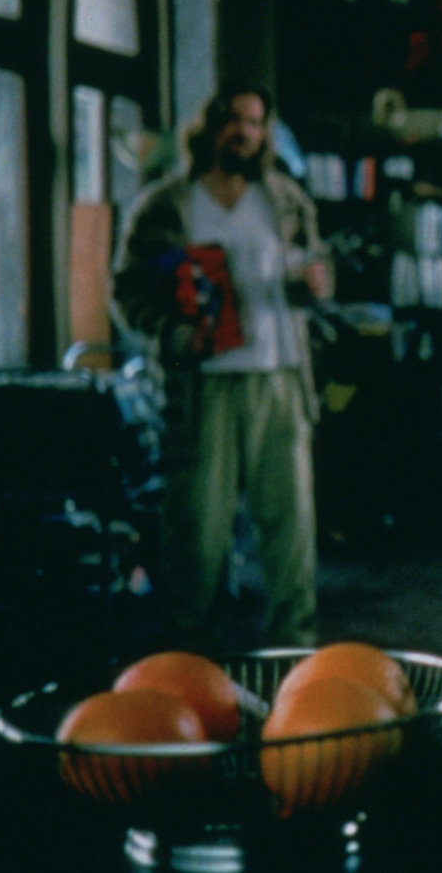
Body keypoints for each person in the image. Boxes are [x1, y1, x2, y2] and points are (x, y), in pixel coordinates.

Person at [112, 82, 332, 650]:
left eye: (256, 123)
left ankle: (295, 662)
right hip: (202, 390)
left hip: (280, 380)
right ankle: (192, 663)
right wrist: (172, 333)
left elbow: (316, 271)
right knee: (197, 537)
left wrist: (316, 284)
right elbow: (126, 291)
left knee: (291, 534)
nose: (244, 133)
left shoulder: (284, 199)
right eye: (234, 120)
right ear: (210, 126)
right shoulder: (167, 204)